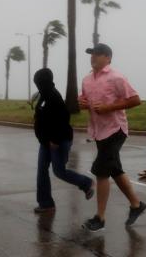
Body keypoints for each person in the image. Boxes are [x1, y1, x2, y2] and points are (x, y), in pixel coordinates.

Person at [78, 43, 146, 232]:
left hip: (115, 130)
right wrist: (81, 103)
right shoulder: (86, 80)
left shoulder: (116, 77)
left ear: (108, 58)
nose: (93, 57)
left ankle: (99, 218)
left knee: (101, 171)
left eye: (98, 54)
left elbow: (135, 99)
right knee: (115, 170)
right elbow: (83, 100)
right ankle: (136, 205)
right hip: (98, 131)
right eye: (92, 54)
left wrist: (109, 107)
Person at [33, 68, 95, 214]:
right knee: (42, 171)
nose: (37, 85)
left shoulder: (54, 96)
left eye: (39, 82)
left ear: (45, 82)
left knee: (59, 171)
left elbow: (63, 119)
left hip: (58, 141)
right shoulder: (43, 95)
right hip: (45, 142)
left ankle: (86, 183)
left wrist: (54, 140)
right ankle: (46, 203)